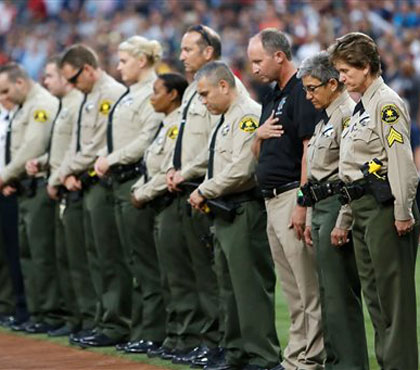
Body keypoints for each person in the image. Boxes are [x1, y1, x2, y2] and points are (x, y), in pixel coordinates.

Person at [329, 32, 419, 370]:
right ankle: (388, 363)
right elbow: (353, 170)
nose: (341, 78)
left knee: (395, 301)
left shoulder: (387, 103)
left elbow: (401, 162)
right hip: (363, 209)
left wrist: (403, 211)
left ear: (365, 66)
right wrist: (345, 218)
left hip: (385, 209)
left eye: (345, 71)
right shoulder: (363, 107)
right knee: (377, 300)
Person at [189, 61, 282, 370]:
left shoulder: (246, 116)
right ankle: (237, 353)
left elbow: (244, 169)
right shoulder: (227, 116)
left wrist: (206, 189)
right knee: (228, 289)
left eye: (205, 94)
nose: (203, 101)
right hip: (225, 213)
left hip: (243, 209)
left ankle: (262, 356)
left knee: (249, 287)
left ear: (224, 86)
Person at [247, 28, 325, 370]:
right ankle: (295, 357)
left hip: (292, 193)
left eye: (257, 60)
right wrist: (257, 135)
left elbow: (310, 149)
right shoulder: (270, 95)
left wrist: (302, 202)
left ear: (279, 56)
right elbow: (258, 148)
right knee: (292, 290)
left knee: (308, 289)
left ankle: (311, 359)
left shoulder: (300, 92)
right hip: (270, 199)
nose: (253, 68)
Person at [297, 51, 369, 370]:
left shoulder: (346, 114)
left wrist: (342, 219)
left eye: (312, 88)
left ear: (332, 83)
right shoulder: (328, 115)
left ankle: (349, 365)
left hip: (337, 206)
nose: (308, 95)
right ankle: (336, 362)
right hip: (321, 206)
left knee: (340, 295)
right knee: (328, 294)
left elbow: (350, 173)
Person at [94, 35, 165, 353]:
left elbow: (145, 139)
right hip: (119, 181)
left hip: (135, 179)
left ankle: (153, 330)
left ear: (141, 60)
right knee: (128, 259)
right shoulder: (130, 93)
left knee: (143, 262)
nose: (119, 66)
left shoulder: (152, 91)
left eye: (124, 61)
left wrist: (112, 158)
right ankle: (138, 327)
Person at [59, 44, 130, 347]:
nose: (72, 86)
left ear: (87, 68)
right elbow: (80, 144)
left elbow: (98, 144)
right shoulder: (88, 97)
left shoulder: (110, 93)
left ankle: (116, 323)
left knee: (109, 256)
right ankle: (102, 319)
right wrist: (70, 170)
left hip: (103, 183)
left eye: (74, 78)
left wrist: (65, 169)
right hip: (85, 182)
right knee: (94, 256)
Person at [161, 24, 222, 365]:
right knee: (193, 273)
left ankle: (216, 342)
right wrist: (174, 168)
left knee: (210, 275)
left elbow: (215, 145)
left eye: (188, 50)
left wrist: (186, 171)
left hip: (205, 191)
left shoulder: (220, 85)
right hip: (184, 187)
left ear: (208, 52)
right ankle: (203, 339)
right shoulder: (189, 91)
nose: (181, 56)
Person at [25, 56, 94, 337]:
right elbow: (62, 149)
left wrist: (57, 175)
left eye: (51, 76)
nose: (46, 81)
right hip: (59, 182)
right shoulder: (65, 106)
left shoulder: (78, 104)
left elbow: (79, 149)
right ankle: (74, 316)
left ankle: (85, 318)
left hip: (70, 184)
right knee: (64, 257)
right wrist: (43, 162)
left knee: (79, 259)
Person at [0, 63, 63, 334]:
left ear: (20, 83)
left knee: (41, 255)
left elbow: (32, 148)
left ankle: (49, 313)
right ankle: (36, 312)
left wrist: (4, 176)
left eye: (5, 90)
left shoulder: (41, 105)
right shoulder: (24, 106)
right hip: (23, 187)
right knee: (26, 254)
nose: (4, 97)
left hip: (38, 186)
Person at [131, 73, 188, 355]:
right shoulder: (165, 125)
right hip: (155, 203)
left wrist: (140, 194)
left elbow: (167, 168)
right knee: (165, 275)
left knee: (176, 276)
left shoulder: (177, 125)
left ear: (173, 95)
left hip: (166, 201)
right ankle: (173, 336)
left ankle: (182, 337)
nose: (152, 97)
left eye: (157, 91)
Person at [0, 99, 26, 327]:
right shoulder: (6, 116)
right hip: (3, 184)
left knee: (15, 250)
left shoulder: (21, 113)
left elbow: (23, 152)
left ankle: (21, 306)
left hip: (12, 188)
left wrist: (7, 179)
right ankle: (6, 305)